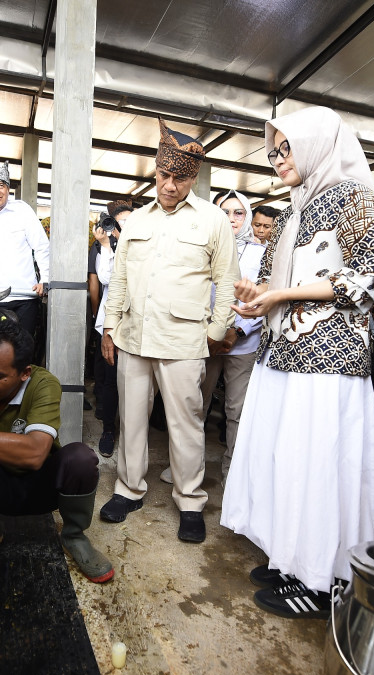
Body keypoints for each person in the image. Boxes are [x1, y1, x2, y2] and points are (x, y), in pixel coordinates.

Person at [221, 106, 374, 618]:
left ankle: (320, 580)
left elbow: (369, 275)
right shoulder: (294, 208)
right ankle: (291, 558)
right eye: (272, 152)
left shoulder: (354, 195)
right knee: (285, 458)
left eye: (286, 148)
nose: (277, 160)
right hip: (283, 353)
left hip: (329, 358)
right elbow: (279, 287)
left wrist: (282, 295)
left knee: (319, 464)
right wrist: (259, 296)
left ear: (317, 143)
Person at [98, 119, 240, 544]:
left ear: (193, 178)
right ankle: (129, 489)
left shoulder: (213, 220)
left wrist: (218, 330)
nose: (171, 185)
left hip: (183, 341)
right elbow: (119, 280)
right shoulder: (137, 221)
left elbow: (227, 279)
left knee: (186, 423)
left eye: (180, 178)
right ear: (154, 173)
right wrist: (109, 327)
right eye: (164, 176)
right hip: (133, 337)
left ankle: (191, 499)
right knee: (132, 418)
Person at [0, 320, 113, 583]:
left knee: (81, 458)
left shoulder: (43, 384)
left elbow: (35, 454)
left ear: (24, 373)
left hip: (39, 490)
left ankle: (73, 536)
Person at [161, 189, 266, 485]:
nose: (231, 218)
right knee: (194, 406)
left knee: (237, 410)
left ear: (247, 216)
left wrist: (237, 330)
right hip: (203, 340)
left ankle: (232, 473)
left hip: (243, 343)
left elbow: (266, 296)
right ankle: (184, 468)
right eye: (224, 212)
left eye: (238, 212)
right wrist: (211, 331)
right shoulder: (203, 246)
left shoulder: (260, 254)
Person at [0, 161, 50, 341]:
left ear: (8, 189)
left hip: (24, 297)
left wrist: (45, 279)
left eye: (1, 185)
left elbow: (41, 247)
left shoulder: (22, 210)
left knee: (21, 351)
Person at [90, 209, 124, 456]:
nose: (120, 228)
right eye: (119, 223)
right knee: (110, 380)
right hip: (113, 323)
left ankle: (134, 432)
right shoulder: (108, 248)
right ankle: (108, 430)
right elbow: (105, 277)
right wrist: (106, 244)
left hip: (140, 324)